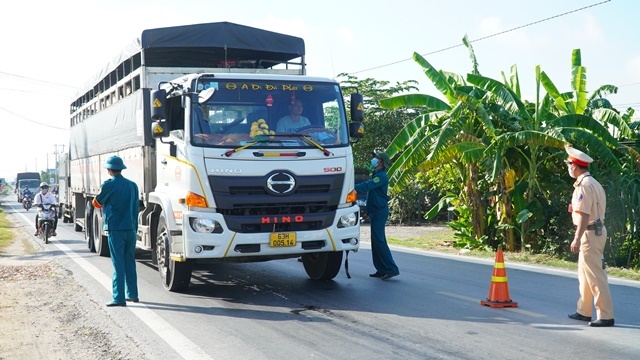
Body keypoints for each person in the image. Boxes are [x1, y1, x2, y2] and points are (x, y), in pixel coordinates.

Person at [565, 145, 614, 327]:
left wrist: (577, 238)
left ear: (575, 166)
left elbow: (585, 214)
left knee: (595, 274)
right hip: (594, 231)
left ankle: (606, 315)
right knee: (585, 274)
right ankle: (583, 311)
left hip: (590, 233)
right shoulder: (593, 183)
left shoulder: (584, 185)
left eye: (569, 164)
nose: (568, 168)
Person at [92, 156, 140, 307]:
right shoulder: (133, 185)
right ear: (121, 168)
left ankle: (119, 297)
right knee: (129, 262)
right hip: (131, 228)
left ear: (109, 170)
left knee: (118, 264)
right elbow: (136, 208)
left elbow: (97, 203)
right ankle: (132, 294)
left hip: (116, 229)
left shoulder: (109, 185)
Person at [355, 151, 400, 280]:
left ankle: (391, 268)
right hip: (375, 210)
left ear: (381, 162)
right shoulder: (376, 174)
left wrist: (351, 187)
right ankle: (381, 269)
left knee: (379, 240)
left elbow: (367, 186)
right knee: (375, 241)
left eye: (376, 158)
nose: (374, 159)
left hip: (379, 211)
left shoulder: (380, 176)